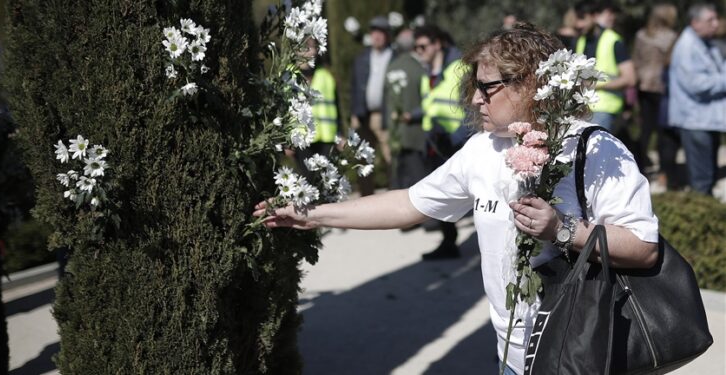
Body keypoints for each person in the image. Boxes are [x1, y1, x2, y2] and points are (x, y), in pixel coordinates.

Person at [255, 23, 659, 375]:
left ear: (531, 84)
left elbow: (643, 249)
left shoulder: (595, 150)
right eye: (474, 86)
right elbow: (407, 204)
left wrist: (563, 229)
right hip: (513, 357)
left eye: (487, 87)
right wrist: (310, 215)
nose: (474, 99)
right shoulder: (483, 150)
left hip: (586, 354)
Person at [407, 24, 468, 260]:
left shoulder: (458, 68)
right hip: (435, 142)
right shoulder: (428, 72)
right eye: (416, 47)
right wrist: (412, 115)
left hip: (456, 142)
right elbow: (430, 104)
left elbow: (469, 106)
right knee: (443, 197)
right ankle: (449, 242)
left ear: (437, 44)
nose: (419, 50)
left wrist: (458, 138)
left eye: (422, 46)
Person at [668, 4, 726, 195]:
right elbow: (697, 85)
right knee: (701, 181)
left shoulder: (705, 43)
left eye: (716, 19)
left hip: (707, 120)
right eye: (711, 20)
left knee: (708, 177)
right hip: (695, 122)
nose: (716, 24)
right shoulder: (687, 46)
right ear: (695, 23)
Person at [632, 4, 679, 185]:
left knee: (645, 129)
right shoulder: (671, 38)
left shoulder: (641, 35)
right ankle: (664, 173)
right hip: (662, 86)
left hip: (643, 84)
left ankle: (640, 168)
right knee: (663, 131)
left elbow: (636, 59)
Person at [573, 1, 636, 132]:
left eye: (582, 18)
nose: (578, 24)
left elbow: (630, 79)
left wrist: (596, 84)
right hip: (583, 108)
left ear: (594, 17)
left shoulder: (614, 41)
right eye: (577, 19)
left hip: (605, 108)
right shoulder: (580, 41)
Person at [350, 16, 395, 196]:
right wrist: (354, 113)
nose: (377, 36)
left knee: (390, 158)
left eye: (381, 33)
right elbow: (353, 87)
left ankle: (394, 199)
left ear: (387, 36)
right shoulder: (361, 58)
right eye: (374, 32)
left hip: (385, 115)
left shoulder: (394, 56)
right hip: (363, 115)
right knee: (363, 159)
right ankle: (366, 199)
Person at [384, 28, 428, 192]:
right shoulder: (418, 69)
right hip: (415, 133)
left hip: (396, 132)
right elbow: (428, 99)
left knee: (398, 179)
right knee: (418, 180)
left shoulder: (391, 67)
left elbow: (385, 100)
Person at [292, 38, 341, 178]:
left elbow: (336, 107)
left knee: (324, 181)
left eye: (311, 47)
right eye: (302, 48)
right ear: (294, 50)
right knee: (307, 180)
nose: (307, 52)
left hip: (326, 138)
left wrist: (340, 133)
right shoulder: (287, 76)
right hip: (301, 139)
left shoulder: (326, 76)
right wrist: (285, 142)